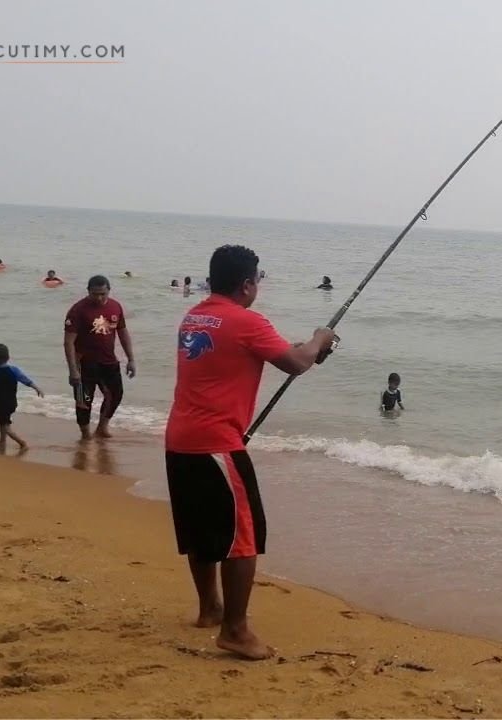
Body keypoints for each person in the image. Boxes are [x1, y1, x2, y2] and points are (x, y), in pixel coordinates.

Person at [164, 244, 337, 660]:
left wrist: (306, 352)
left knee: (201, 530)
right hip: (216, 444)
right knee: (242, 536)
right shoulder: (245, 320)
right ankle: (235, 630)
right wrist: (320, 339)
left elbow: (270, 356)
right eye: (257, 280)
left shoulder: (196, 316)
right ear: (246, 284)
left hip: (180, 439)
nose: (258, 286)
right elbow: (295, 363)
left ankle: (210, 609)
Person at [64, 275, 136, 440]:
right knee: (84, 401)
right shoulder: (77, 310)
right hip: (84, 363)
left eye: (103, 293)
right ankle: (85, 435)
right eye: (95, 294)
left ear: (109, 290)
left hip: (109, 361)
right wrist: (73, 370)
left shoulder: (115, 306)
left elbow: (123, 333)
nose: (99, 297)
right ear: (88, 291)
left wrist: (130, 359)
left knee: (115, 395)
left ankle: (102, 428)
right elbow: (68, 342)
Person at [0, 343, 43, 450]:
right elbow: (25, 380)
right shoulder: (14, 370)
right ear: (8, 357)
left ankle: (22, 443)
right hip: (12, 402)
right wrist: (36, 388)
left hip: (1, 403)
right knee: (2, 421)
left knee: (5, 425)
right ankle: (2, 440)